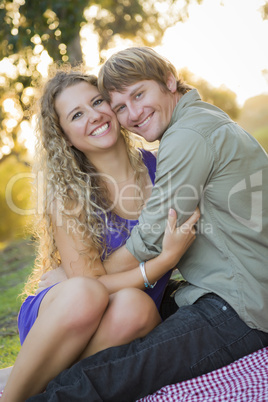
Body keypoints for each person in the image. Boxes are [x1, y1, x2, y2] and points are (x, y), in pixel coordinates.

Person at [26, 46, 268, 402]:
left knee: (131, 341)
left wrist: (88, 278)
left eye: (137, 95)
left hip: (208, 303)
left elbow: (154, 236)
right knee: (123, 334)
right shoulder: (73, 190)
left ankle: (36, 385)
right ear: (63, 135)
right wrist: (83, 282)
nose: (131, 112)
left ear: (170, 81)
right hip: (75, 313)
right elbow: (102, 280)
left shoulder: (176, 146)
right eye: (121, 104)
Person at [0, 67, 199, 401]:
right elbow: (91, 287)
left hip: (129, 312)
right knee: (83, 293)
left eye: (97, 102)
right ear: (64, 136)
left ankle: (38, 378)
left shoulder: (163, 166)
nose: (94, 116)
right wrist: (164, 260)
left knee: (137, 307)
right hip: (67, 317)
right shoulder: (69, 194)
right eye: (77, 114)